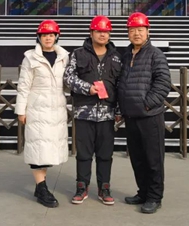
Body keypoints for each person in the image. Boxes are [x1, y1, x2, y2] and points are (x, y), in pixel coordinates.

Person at [64, 15, 122, 206]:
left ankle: (104, 188)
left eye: (106, 31)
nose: (102, 34)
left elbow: (120, 85)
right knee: (84, 154)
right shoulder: (78, 54)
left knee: (105, 154)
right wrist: (87, 88)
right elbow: (68, 78)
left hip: (107, 114)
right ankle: (82, 187)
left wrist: (119, 110)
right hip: (84, 112)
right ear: (91, 33)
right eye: (98, 31)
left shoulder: (117, 57)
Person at [117, 12, 171, 214]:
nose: (136, 33)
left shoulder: (156, 55)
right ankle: (143, 192)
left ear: (148, 31)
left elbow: (163, 83)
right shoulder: (125, 55)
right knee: (137, 158)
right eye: (132, 30)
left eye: (140, 30)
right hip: (131, 116)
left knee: (153, 159)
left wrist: (147, 105)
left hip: (150, 116)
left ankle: (155, 197)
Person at [15, 19, 70, 208]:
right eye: (44, 35)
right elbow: (24, 86)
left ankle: (41, 186)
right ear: (38, 37)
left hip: (57, 109)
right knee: (38, 148)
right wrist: (21, 110)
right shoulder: (30, 58)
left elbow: (68, 82)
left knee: (47, 150)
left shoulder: (64, 57)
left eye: (51, 35)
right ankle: (42, 188)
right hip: (37, 109)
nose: (48, 38)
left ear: (56, 36)